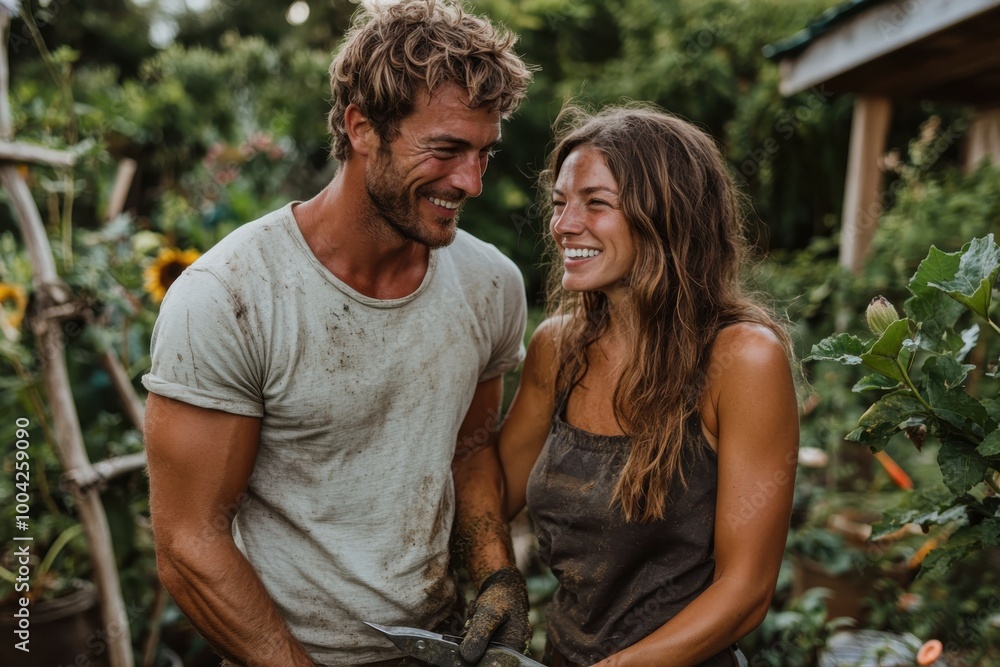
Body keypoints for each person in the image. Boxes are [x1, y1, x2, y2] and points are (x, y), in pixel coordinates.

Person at [141, 2, 534, 665]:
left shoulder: (490, 284)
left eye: (483, 152)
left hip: (434, 645)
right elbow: (190, 542)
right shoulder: (230, 296)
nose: (469, 181)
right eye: (445, 149)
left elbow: (469, 451)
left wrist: (495, 571)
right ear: (361, 128)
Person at [498, 106, 800, 667]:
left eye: (596, 202)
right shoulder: (557, 349)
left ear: (668, 216)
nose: (564, 224)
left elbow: (746, 591)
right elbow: (491, 491)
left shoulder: (742, 360)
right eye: (560, 202)